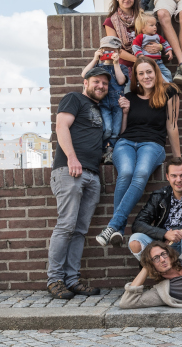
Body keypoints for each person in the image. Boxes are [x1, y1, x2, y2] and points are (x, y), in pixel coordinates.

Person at [96, 57, 182, 247]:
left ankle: (113, 226)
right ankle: (117, 230)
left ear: (156, 72)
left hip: (153, 144)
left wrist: (178, 158)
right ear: (136, 76)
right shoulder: (131, 97)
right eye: (141, 73)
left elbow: (172, 126)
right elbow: (123, 131)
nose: (146, 76)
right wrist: (125, 112)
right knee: (125, 173)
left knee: (141, 173)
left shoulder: (169, 92)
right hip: (126, 142)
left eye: (149, 72)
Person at [46, 67, 108, 299]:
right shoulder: (74, 98)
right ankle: (55, 280)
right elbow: (61, 127)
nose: (100, 86)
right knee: (66, 226)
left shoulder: (99, 110)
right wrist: (72, 157)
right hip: (70, 170)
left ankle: (72, 279)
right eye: (96, 81)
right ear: (86, 82)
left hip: (92, 175)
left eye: (104, 83)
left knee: (80, 230)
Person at [127, 157, 182, 260]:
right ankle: (159, 272)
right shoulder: (159, 196)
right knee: (135, 241)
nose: (178, 180)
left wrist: (178, 232)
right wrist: (164, 234)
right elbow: (138, 224)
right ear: (167, 177)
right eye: (174, 176)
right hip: (163, 241)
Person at [81, 36, 131, 163]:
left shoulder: (121, 67)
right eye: (106, 51)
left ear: (119, 52)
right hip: (103, 103)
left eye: (112, 51)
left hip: (117, 103)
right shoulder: (97, 66)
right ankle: (103, 148)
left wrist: (116, 63)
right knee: (107, 128)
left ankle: (110, 151)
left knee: (116, 130)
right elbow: (84, 75)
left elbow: (121, 80)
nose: (109, 54)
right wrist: (95, 59)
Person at [103, 0, 160, 65]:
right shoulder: (110, 21)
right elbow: (115, 49)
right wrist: (139, 60)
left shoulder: (143, 17)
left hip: (149, 63)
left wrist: (159, 47)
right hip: (125, 67)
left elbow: (154, 37)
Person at [131, 13, 174, 82]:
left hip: (159, 62)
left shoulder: (157, 36)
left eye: (155, 25)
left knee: (168, 74)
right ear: (143, 28)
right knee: (160, 77)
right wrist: (141, 56)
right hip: (148, 63)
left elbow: (165, 43)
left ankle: (169, 87)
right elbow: (135, 46)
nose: (155, 27)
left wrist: (169, 50)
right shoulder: (141, 37)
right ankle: (167, 88)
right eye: (152, 25)